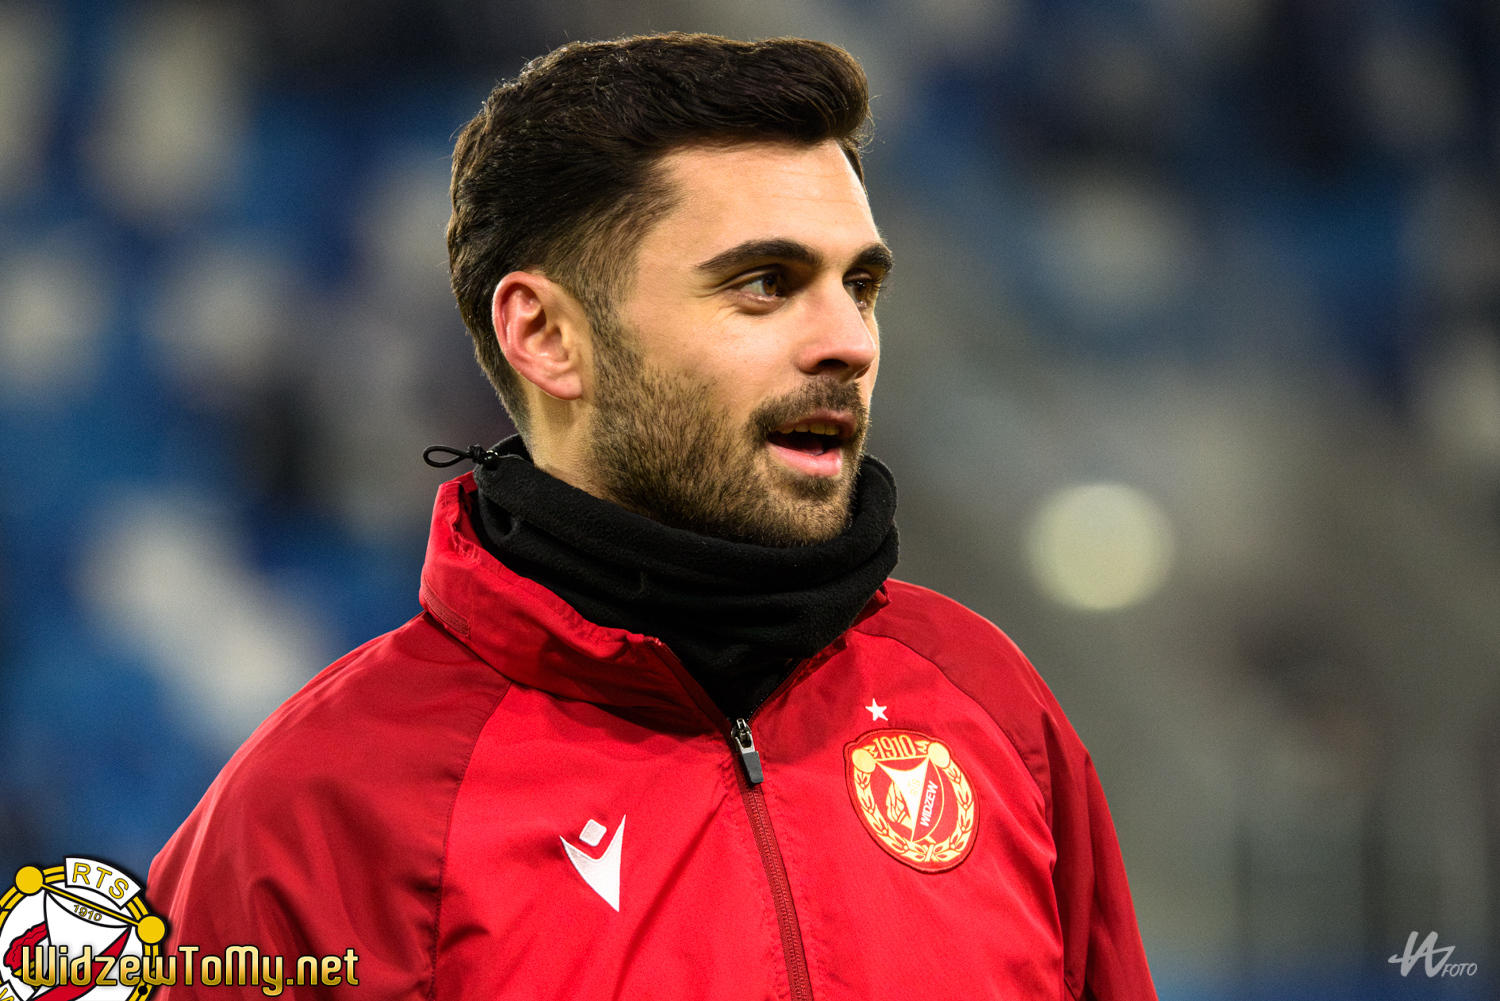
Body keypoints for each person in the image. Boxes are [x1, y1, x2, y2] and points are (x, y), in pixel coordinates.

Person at [149, 33, 1157, 1000]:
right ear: (546, 336)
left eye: (860, 285)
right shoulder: (321, 808)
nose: (849, 341)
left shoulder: (988, 703)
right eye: (765, 284)